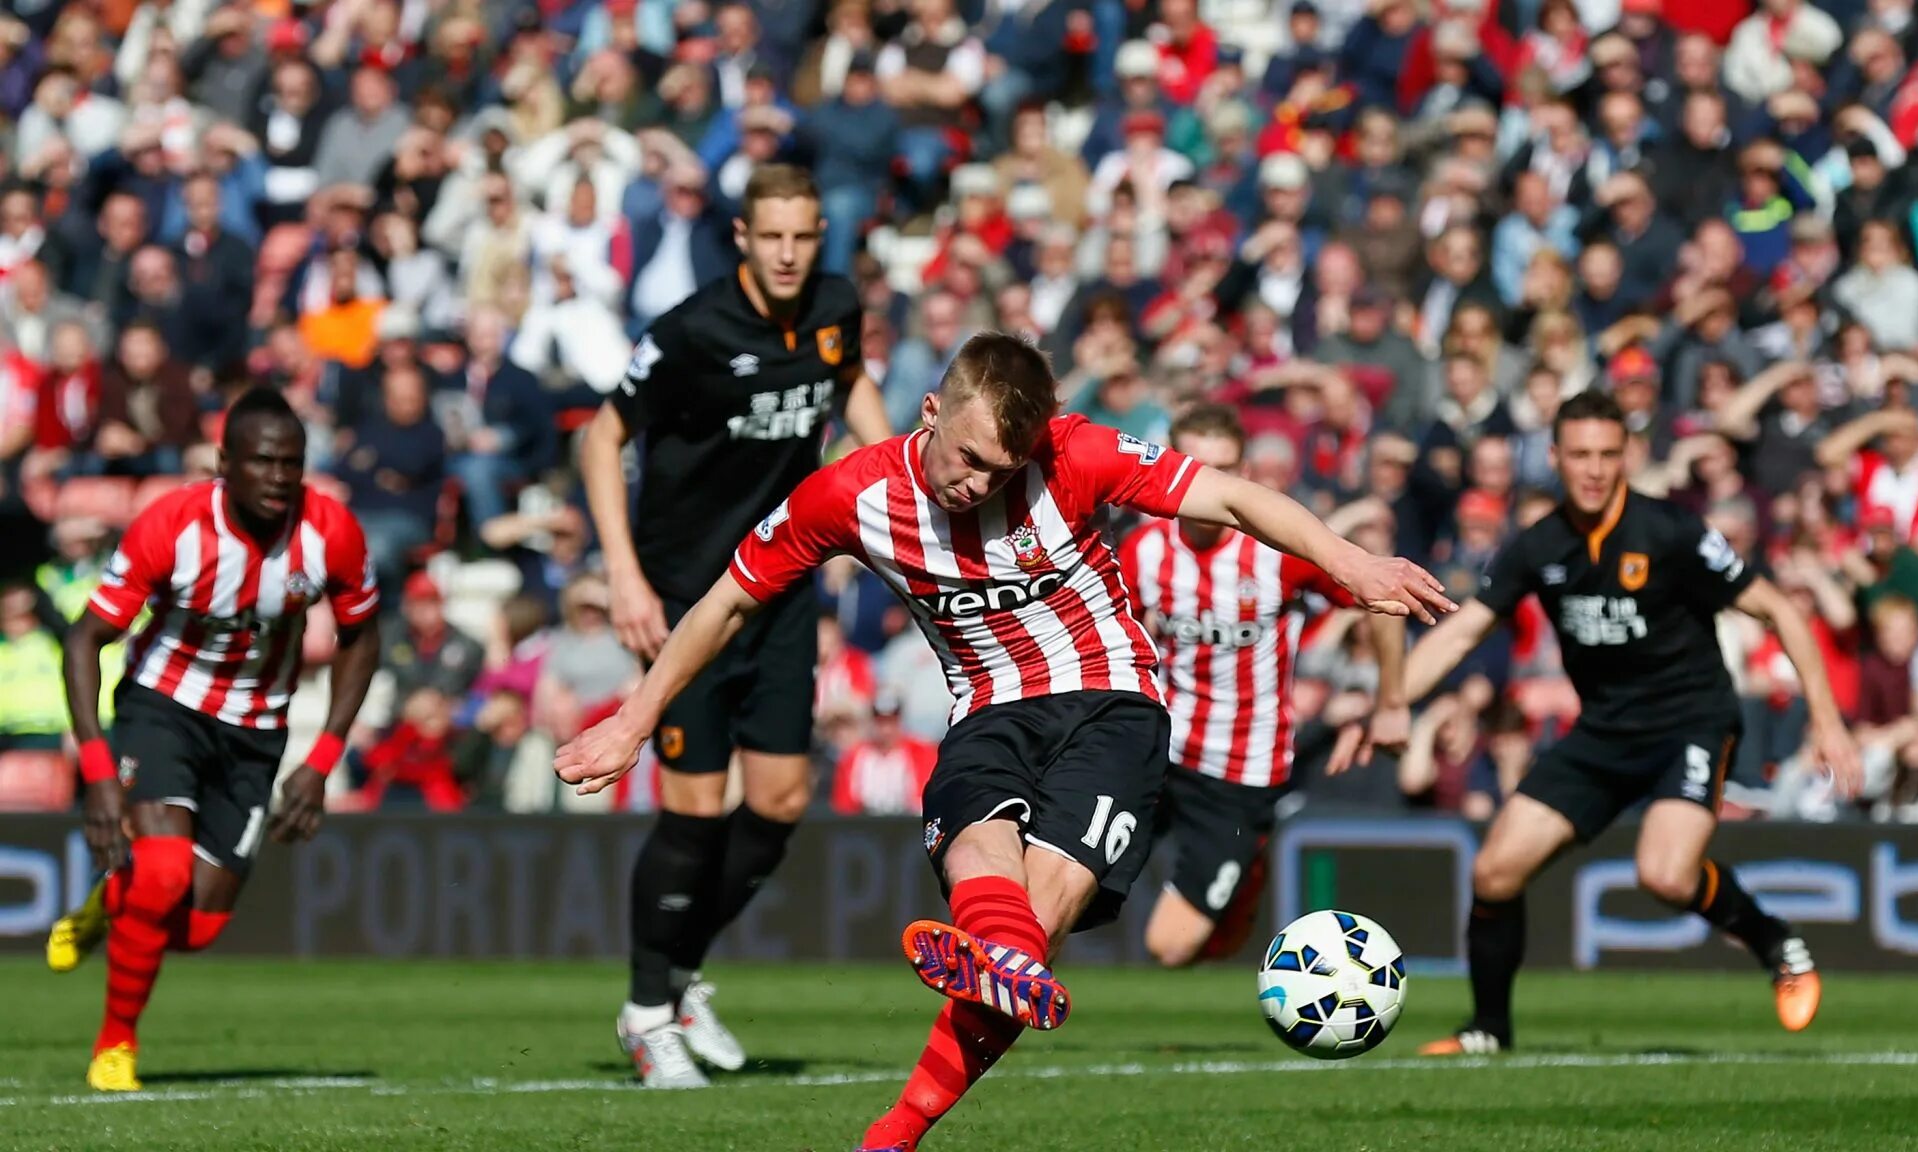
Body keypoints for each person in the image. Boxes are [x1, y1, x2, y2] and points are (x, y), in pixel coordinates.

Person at [554, 331, 1452, 1150]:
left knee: (1040, 915)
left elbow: (1229, 495)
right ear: (929, 412)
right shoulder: (850, 494)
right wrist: (634, 720)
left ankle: (901, 1122)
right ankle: (994, 979)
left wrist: (1349, 561)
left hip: (1111, 701)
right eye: (970, 459)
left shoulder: (1077, 452)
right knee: (988, 876)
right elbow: (729, 600)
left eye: (1003, 468)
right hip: (985, 708)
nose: (980, 483)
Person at [1335, 390, 1861, 1056]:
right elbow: (1463, 632)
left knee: (1665, 875)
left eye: (1608, 454)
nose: (1593, 468)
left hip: (1688, 723)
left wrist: (1828, 720)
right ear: (1554, 457)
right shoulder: (1541, 543)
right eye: (1579, 454)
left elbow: (1780, 610)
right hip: (1604, 732)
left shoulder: (1671, 531)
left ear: (1628, 457)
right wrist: (1388, 701)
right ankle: (1488, 1030)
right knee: (1495, 872)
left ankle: (1773, 939)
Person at [579, 163, 892, 1089]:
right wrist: (624, 575)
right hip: (686, 598)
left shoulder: (836, 306)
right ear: (745, 239)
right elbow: (600, 438)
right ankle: (646, 1009)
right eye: (775, 237)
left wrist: (891, 475)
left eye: (806, 236)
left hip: (783, 586)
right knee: (694, 807)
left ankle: (677, 981)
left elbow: (852, 389)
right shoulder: (690, 331)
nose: (791, 254)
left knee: (785, 801)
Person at [41, 388, 382, 1091]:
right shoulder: (171, 525)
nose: (280, 477)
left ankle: (112, 899)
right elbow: (84, 641)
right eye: (262, 461)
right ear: (225, 462)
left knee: (194, 930)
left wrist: (321, 760)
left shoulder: (331, 532)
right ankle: (116, 1048)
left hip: (256, 729)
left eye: (292, 463)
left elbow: (362, 638)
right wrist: (100, 773)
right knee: (162, 876)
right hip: (163, 705)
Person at [1118, 403, 1409, 968]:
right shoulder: (1142, 551)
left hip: (1242, 767)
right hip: (1159, 752)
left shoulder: (1277, 551)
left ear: (1244, 473)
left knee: (1169, 947)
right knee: (1072, 888)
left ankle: (1246, 873)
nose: (1208, 485)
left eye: (1223, 469)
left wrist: (1391, 700)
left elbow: (1381, 595)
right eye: (1195, 467)